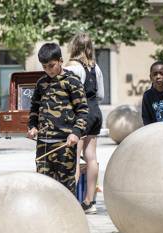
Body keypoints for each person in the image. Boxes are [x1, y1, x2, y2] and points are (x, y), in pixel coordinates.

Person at [27, 43, 88, 194]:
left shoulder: (72, 81)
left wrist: (76, 132)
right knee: (43, 187)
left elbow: (83, 110)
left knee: (66, 188)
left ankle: (68, 217)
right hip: (44, 144)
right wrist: (32, 126)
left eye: (51, 65)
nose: (48, 70)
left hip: (65, 144)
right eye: (44, 67)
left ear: (60, 60)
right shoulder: (41, 83)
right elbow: (34, 109)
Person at [65, 33, 104, 214]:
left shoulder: (72, 67)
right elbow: (101, 94)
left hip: (80, 113)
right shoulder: (96, 68)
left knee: (74, 157)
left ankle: (71, 200)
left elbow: (67, 93)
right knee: (92, 158)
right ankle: (90, 201)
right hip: (95, 111)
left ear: (74, 46)